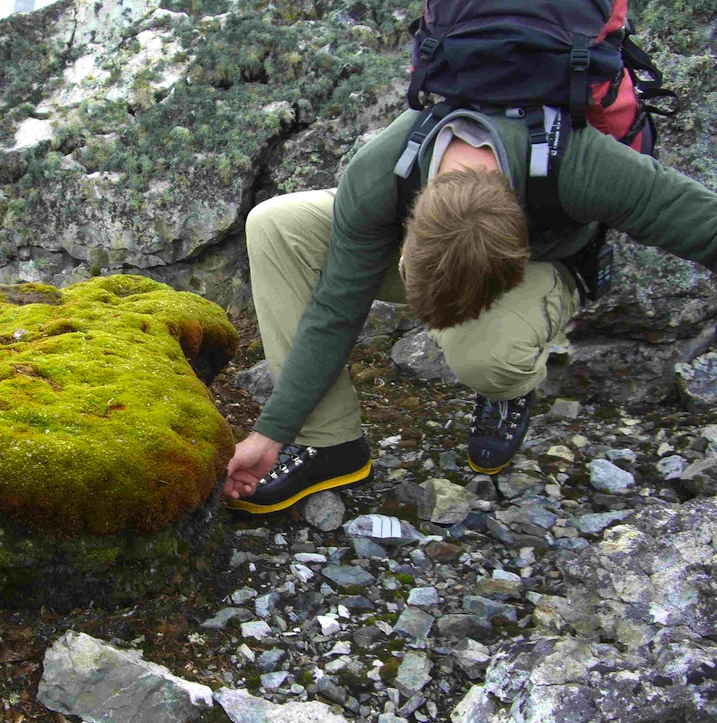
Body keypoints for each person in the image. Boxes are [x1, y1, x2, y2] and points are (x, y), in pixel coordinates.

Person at [222, 106, 717, 514]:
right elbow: (336, 308)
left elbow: (702, 223)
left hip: (545, 265)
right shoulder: (382, 173)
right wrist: (273, 432)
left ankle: (508, 387)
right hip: (415, 233)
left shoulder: (582, 165)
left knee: (484, 357)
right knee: (277, 222)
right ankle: (328, 443)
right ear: (409, 229)